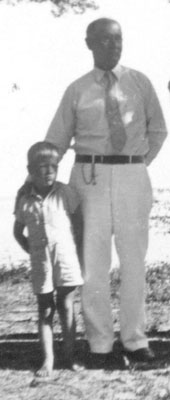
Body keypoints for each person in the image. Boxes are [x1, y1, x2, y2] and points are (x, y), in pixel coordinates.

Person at [44, 17, 168, 367]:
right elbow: (55, 140)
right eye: (105, 41)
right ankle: (99, 344)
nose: (113, 46)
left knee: (133, 262)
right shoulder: (77, 89)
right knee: (93, 264)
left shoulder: (139, 82)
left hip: (132, 174)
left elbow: (158, 130)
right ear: (89, 44)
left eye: (118, 40)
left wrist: (134, 164)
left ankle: (135, 340)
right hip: (90, 177)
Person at [13, 141, 84, 378]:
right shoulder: (24, 199)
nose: (49, 171)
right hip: (41, 264)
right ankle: (48, 359)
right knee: (45, 310)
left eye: (53, 166)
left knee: (67, 307)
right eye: (43, 166)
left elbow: (79, 225)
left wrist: (79, 254)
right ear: (30, 170)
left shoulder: (65, 193)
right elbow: (17, 232)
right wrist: (32, 252)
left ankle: (70, 357)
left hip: (65, 261)